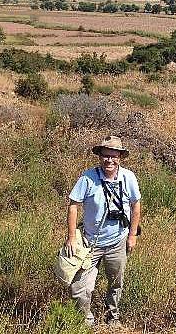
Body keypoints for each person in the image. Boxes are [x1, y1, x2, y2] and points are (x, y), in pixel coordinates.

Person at [64, 135, 141, 327]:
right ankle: (86, 322)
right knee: (80, 287)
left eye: (114, 156)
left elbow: (136, 205)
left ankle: (112, 316)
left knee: (115, 282)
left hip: (118, 241)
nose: (109, 160)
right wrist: (72, 237)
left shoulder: (128, 177)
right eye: (106, 156)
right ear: (100, 157)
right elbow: (73, 205)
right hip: (91, 243)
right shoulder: (88, 178)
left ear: (120, 157)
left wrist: (132, 235)